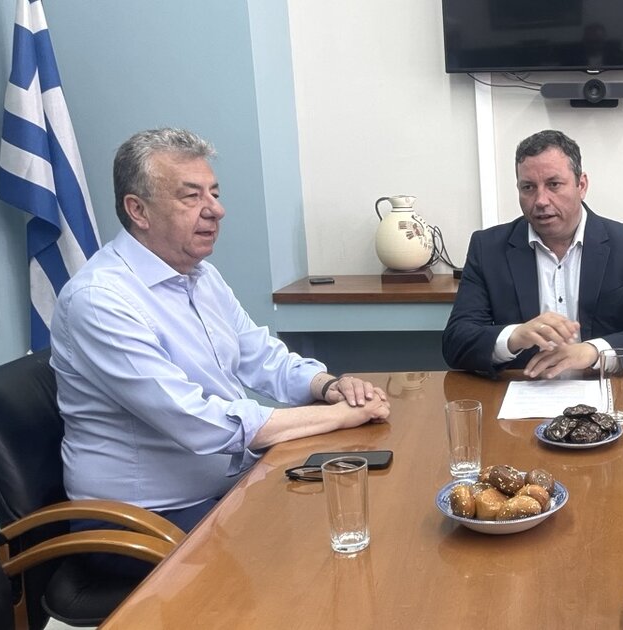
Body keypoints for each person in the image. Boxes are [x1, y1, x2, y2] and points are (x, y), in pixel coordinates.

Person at [51, 128, 390, 538]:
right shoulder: (99, 300)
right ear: (138, 210)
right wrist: (337, 417)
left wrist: (329, 386)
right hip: (142, 519)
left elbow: (262, 357)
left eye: (214, 193)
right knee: (312, 549)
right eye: (191, 196)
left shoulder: (201, 276)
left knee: (365, 514)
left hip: (228, 487)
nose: (216, 210)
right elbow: (197, 422)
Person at [442, 129, 623, 378]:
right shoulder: (488, 248)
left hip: (603, 390)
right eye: (528, 187)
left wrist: (592, 352)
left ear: (581, 185)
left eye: (553, 184)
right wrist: (513, 337)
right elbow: (456, 343)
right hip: (524, 390)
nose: (541, 200)